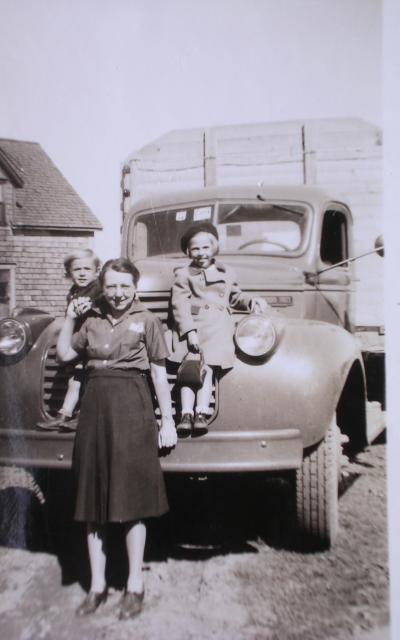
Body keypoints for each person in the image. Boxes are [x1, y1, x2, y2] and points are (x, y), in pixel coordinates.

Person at [56, 257, 177, 620]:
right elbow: (64, 354)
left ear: (134, 288)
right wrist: (69, 316)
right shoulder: (90, 320)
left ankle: (134, 585)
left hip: (134, 408)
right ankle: (97, 586)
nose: (118, 293)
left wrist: (166, 420)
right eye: (111, 286)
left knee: (132, 500)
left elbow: (158, 375)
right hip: (95, 408)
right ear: (102, 286)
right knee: (92, 500)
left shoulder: (148, 321)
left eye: (125, 286)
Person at [170, 221, 267, 437]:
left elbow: (235, 296)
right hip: (195, 328)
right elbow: (180, 303)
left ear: (214, 248)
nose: (201, 253)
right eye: (195, 248)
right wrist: (189, 331)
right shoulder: (184, 274)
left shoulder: (227, 272)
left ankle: (201, 413)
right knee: (188, 371)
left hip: (218, 329)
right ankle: (185, 414)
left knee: (209, 369)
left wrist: (250, 301)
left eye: (205, 247)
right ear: (188, 251)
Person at [36, 249, 101, 431]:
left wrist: (92, 306)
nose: (82, 273)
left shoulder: (98, 289)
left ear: (97, 271)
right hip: (78, 340)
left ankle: (82, 415)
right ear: (69, 272)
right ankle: (64, 414)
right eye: (77, 269)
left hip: (93, 341)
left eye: (87, 269)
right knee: (75, 378)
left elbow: (101, 307)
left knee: (87, 378)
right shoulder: (74, 291)